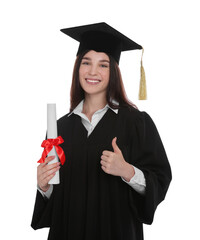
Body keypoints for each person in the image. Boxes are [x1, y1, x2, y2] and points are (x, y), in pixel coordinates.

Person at [31, 22, 172, 240]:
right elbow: (56, 205)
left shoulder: (136, 123)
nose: (93, 72)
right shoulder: (59, 129)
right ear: (78, 67)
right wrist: (44, 186)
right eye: (86, 62)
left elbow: (160, 180)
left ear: (114, 71)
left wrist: (127, 171)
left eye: (103, 65)